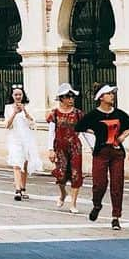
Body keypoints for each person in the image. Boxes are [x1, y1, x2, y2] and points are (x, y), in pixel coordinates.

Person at [76, 84, 129, 230]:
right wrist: (94, 135)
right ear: (101, 97)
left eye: (112, 93)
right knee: (99, 184)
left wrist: (123, 136)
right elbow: (79, 128)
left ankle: (116, 217)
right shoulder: (93, 115)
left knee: (117, 184)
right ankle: (97, 205)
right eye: (109, 94)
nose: (112, 96)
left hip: (117, 153)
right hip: (100, 153)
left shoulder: (119, 113)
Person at [46, 83, 83, 212]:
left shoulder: (78, 113)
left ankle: (73, 204)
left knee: (76, 174)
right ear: (61, 98)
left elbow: (84, 130)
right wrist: (50, 149)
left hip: (75, 147)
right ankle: (63, 194)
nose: (71, 99)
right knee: (61, 174)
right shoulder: (54, 114)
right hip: (60, 147)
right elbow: (51, 132)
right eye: (68, 96)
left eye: (72, 97)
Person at [4, 84, 43, 201]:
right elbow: (7, 125)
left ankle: (23, 188)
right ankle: (17, 190)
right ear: (12, 95)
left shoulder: (28, 107)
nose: (18, 96)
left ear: (23, 95)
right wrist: (14, 113)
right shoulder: (8, 108)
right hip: (14, 139)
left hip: (27, 139)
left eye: (20, 94)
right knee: (16, 164)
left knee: (24, 165)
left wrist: (24, 111)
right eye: (15, 94)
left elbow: (32, 123)